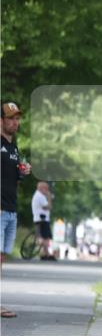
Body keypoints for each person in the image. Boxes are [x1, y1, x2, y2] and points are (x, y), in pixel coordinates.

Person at [1, 102, 29, 316]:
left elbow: (14, 179)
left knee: (2, 258)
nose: (15, 122)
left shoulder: (13, 148)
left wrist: (23, 171)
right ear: (1, 121)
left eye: (17, 118)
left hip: (11, 210)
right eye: (10, 118)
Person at [32, 181, 56, 260]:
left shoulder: (37, 195)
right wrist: (49, 197)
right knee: (45, 237)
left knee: (42, 236)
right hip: (43, 219)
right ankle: (46, 254)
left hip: (39, 219)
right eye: (46, 189)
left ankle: (45, 253)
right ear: (42, 188)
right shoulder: (40, 196)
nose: (47, 191)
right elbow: (48, 207)